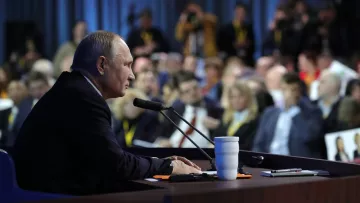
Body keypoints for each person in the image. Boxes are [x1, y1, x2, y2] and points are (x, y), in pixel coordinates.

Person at [12, 31, 201, 195]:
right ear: (102, 65)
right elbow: (116, 165)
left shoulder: (72, 89)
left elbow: (108, 157)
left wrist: (160, 163)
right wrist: (168, 167)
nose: (132, 75)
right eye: (127, 65)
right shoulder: (82, 98)